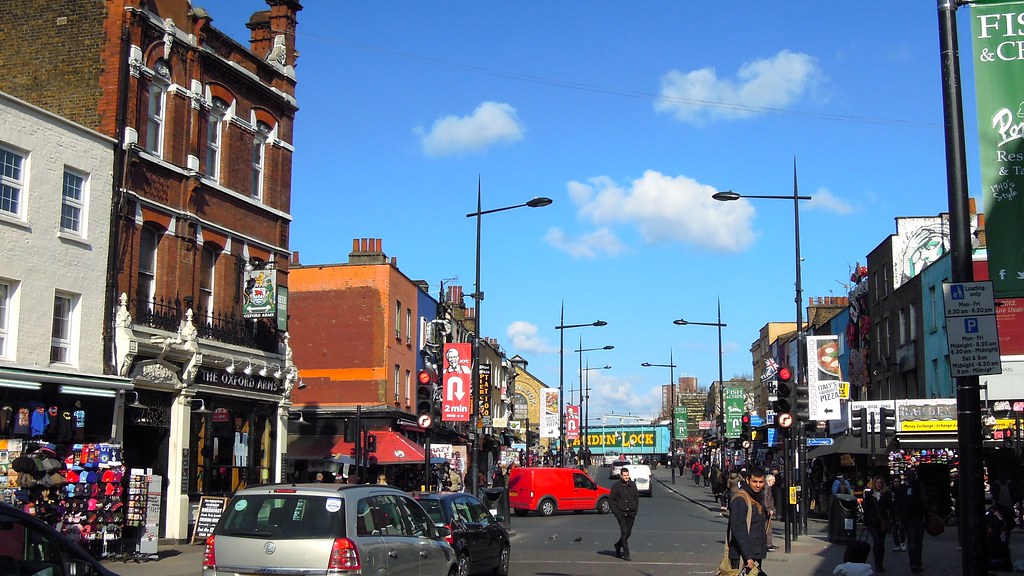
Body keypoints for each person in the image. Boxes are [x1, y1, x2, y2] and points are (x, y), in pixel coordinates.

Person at [728, 465, 769, 573]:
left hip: (755, 553)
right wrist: (748, 556)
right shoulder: (740, 499)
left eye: (761, 482)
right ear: (747, 480)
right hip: (743, 555)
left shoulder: (757, 497)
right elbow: (738, 530)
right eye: (755, 482)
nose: (758, 485)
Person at [893, 468, 926, 573]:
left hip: (916, 516)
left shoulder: (918, 486)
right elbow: (898, 503)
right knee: (913, 540)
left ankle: (917, 562)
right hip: (909, 517)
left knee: (917, 541)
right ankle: (914, 563)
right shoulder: (903, 488)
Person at [862, 475, 894, 573]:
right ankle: (877, 564)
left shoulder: (886, 494)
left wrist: (892, 518)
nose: (879, 484)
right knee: (877, 542)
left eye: (880, 483)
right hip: (873, 522)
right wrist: (865, 522)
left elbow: (890, 508)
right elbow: (866, 509)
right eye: (877, 483)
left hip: (883, 521)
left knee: (881, 543)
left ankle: (880, 563)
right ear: (874, 484)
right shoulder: (869, 495)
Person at [609, 466, 639, 561]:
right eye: (624, 475)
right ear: (621, 475)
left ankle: (618, 545)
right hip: (621, 513)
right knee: (624, 532)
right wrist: (616, 512)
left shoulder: (633, 485)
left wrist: (635, 510)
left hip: (631, 513)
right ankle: (626, 553)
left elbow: (636, 498)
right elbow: (611, 500)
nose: (626, 477)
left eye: (627, 475)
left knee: (628, 533)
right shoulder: (616, 486)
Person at [889, 476, 906, 552]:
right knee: (894, 530)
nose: (896, 483)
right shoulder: (890, 491)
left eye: (897, 481)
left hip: (901, 513)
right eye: (895, 481)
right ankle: (897, 544)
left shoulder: (902, 490)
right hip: (892, 512)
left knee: (901, 529)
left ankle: (902, 543)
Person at [764, 473, 778, 552]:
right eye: (773, 481)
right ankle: (767, 544)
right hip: (767, 511)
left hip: (768, 510)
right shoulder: (767, 487)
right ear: (769, 480)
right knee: (767, 528)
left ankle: (769, 544)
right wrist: (769, 509)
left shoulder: (767, 487)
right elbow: (765, 499)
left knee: (768, 527)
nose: (774, 483)